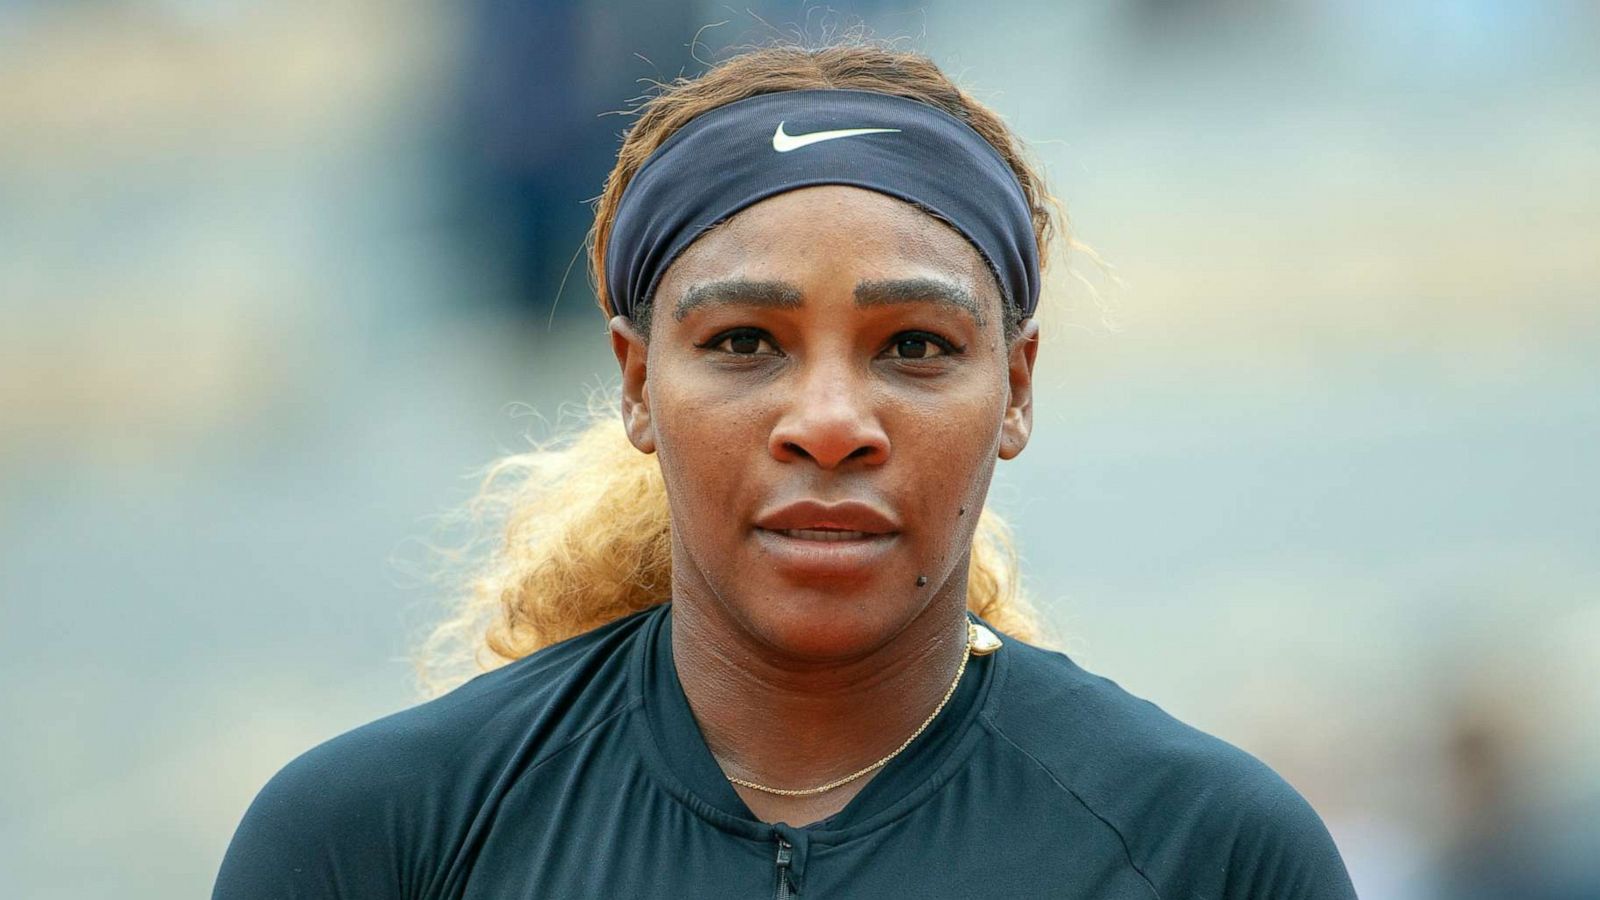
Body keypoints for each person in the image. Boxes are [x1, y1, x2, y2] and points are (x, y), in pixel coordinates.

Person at [213, 40, 1358, 899]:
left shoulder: (1208, 851)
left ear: (1014, 389)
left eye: (915, 345)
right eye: (741, 344)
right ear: (634, 382)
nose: (827, 424)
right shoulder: (375, 838)